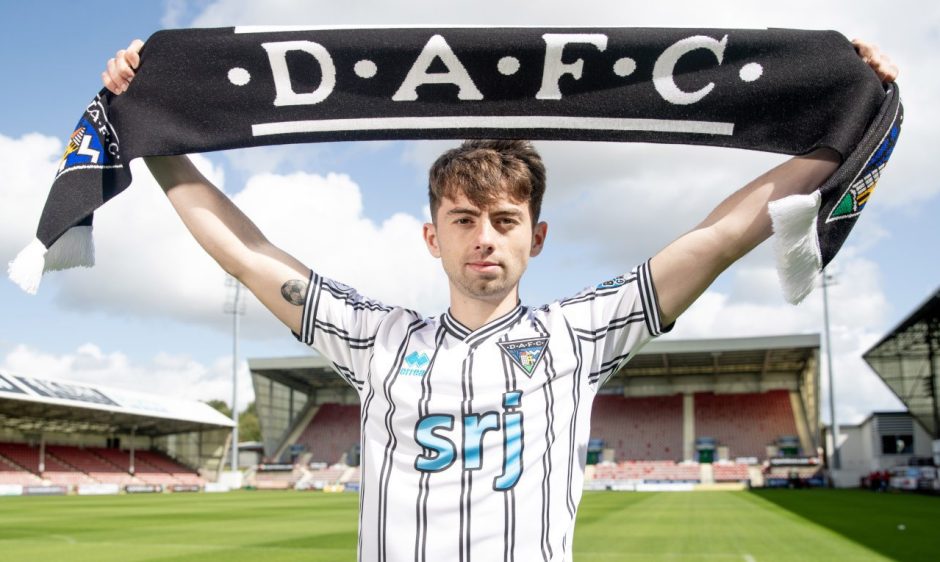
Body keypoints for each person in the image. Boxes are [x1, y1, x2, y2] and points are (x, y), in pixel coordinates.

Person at [103, 38, 897, 562]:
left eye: (504, 220)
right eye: (464, 219)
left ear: (535, 238)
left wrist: (838, 130)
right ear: (432, 237)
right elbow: (247, 257)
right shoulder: (376, 339)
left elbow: (718, 237)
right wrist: (152, 130)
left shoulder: (578, 336)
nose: (484, 236)